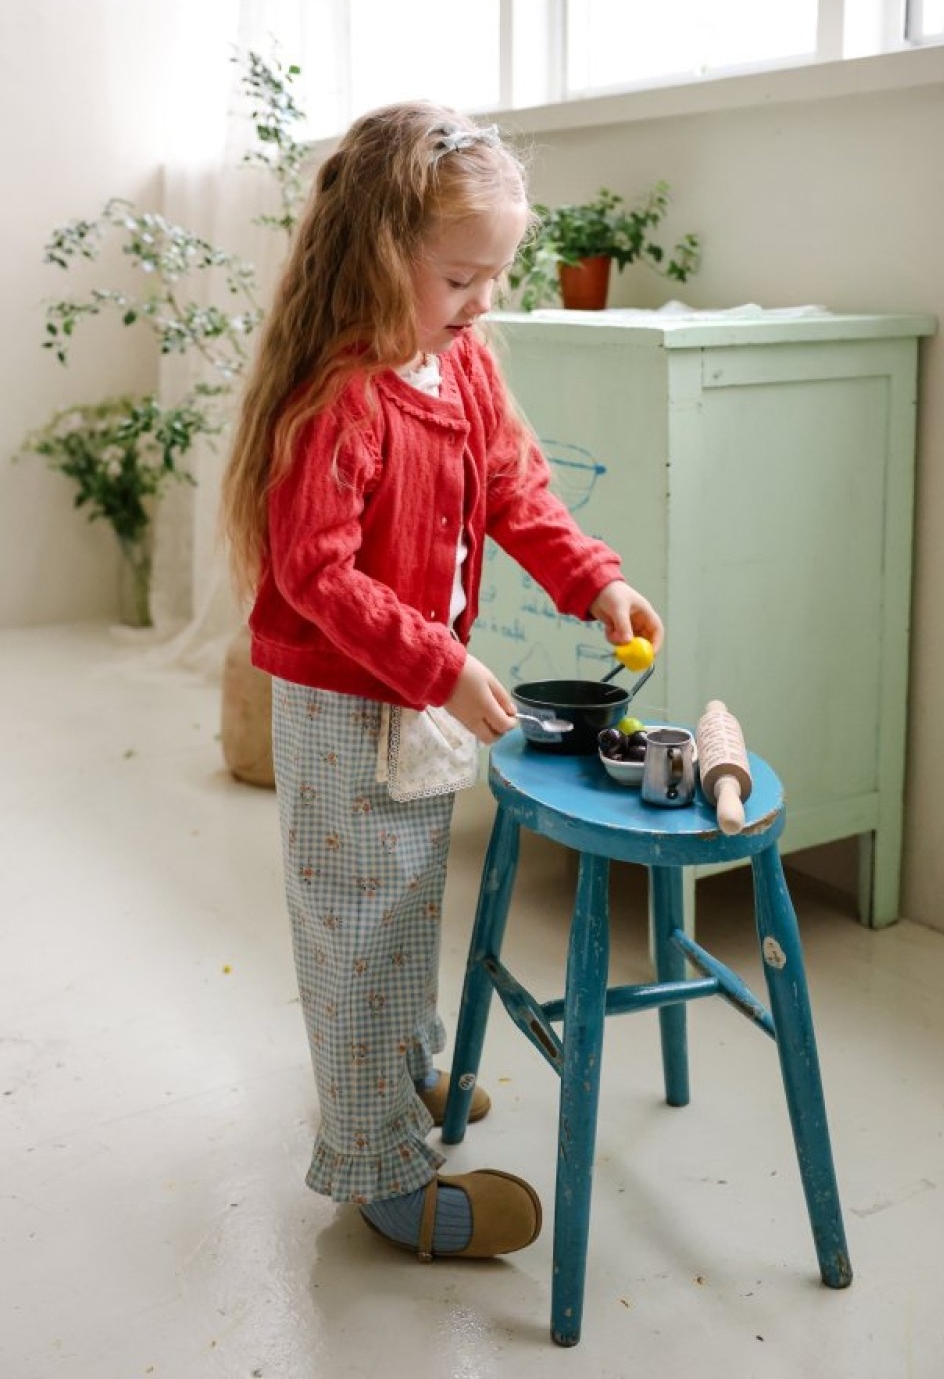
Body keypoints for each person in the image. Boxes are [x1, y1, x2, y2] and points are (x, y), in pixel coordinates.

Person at [220, 102, 664, 1263]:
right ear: (379, 256)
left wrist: (595, 582)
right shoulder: (343, 394)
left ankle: (401, 1068)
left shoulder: (458, 362)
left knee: (409, 891)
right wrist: (443, 664)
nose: (482, 301)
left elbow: (517, 491)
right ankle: (376, 1169)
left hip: (412, 685)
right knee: (359, 923)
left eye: (493, 276)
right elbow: (314, 574)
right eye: (461, 278)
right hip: (347, 697)